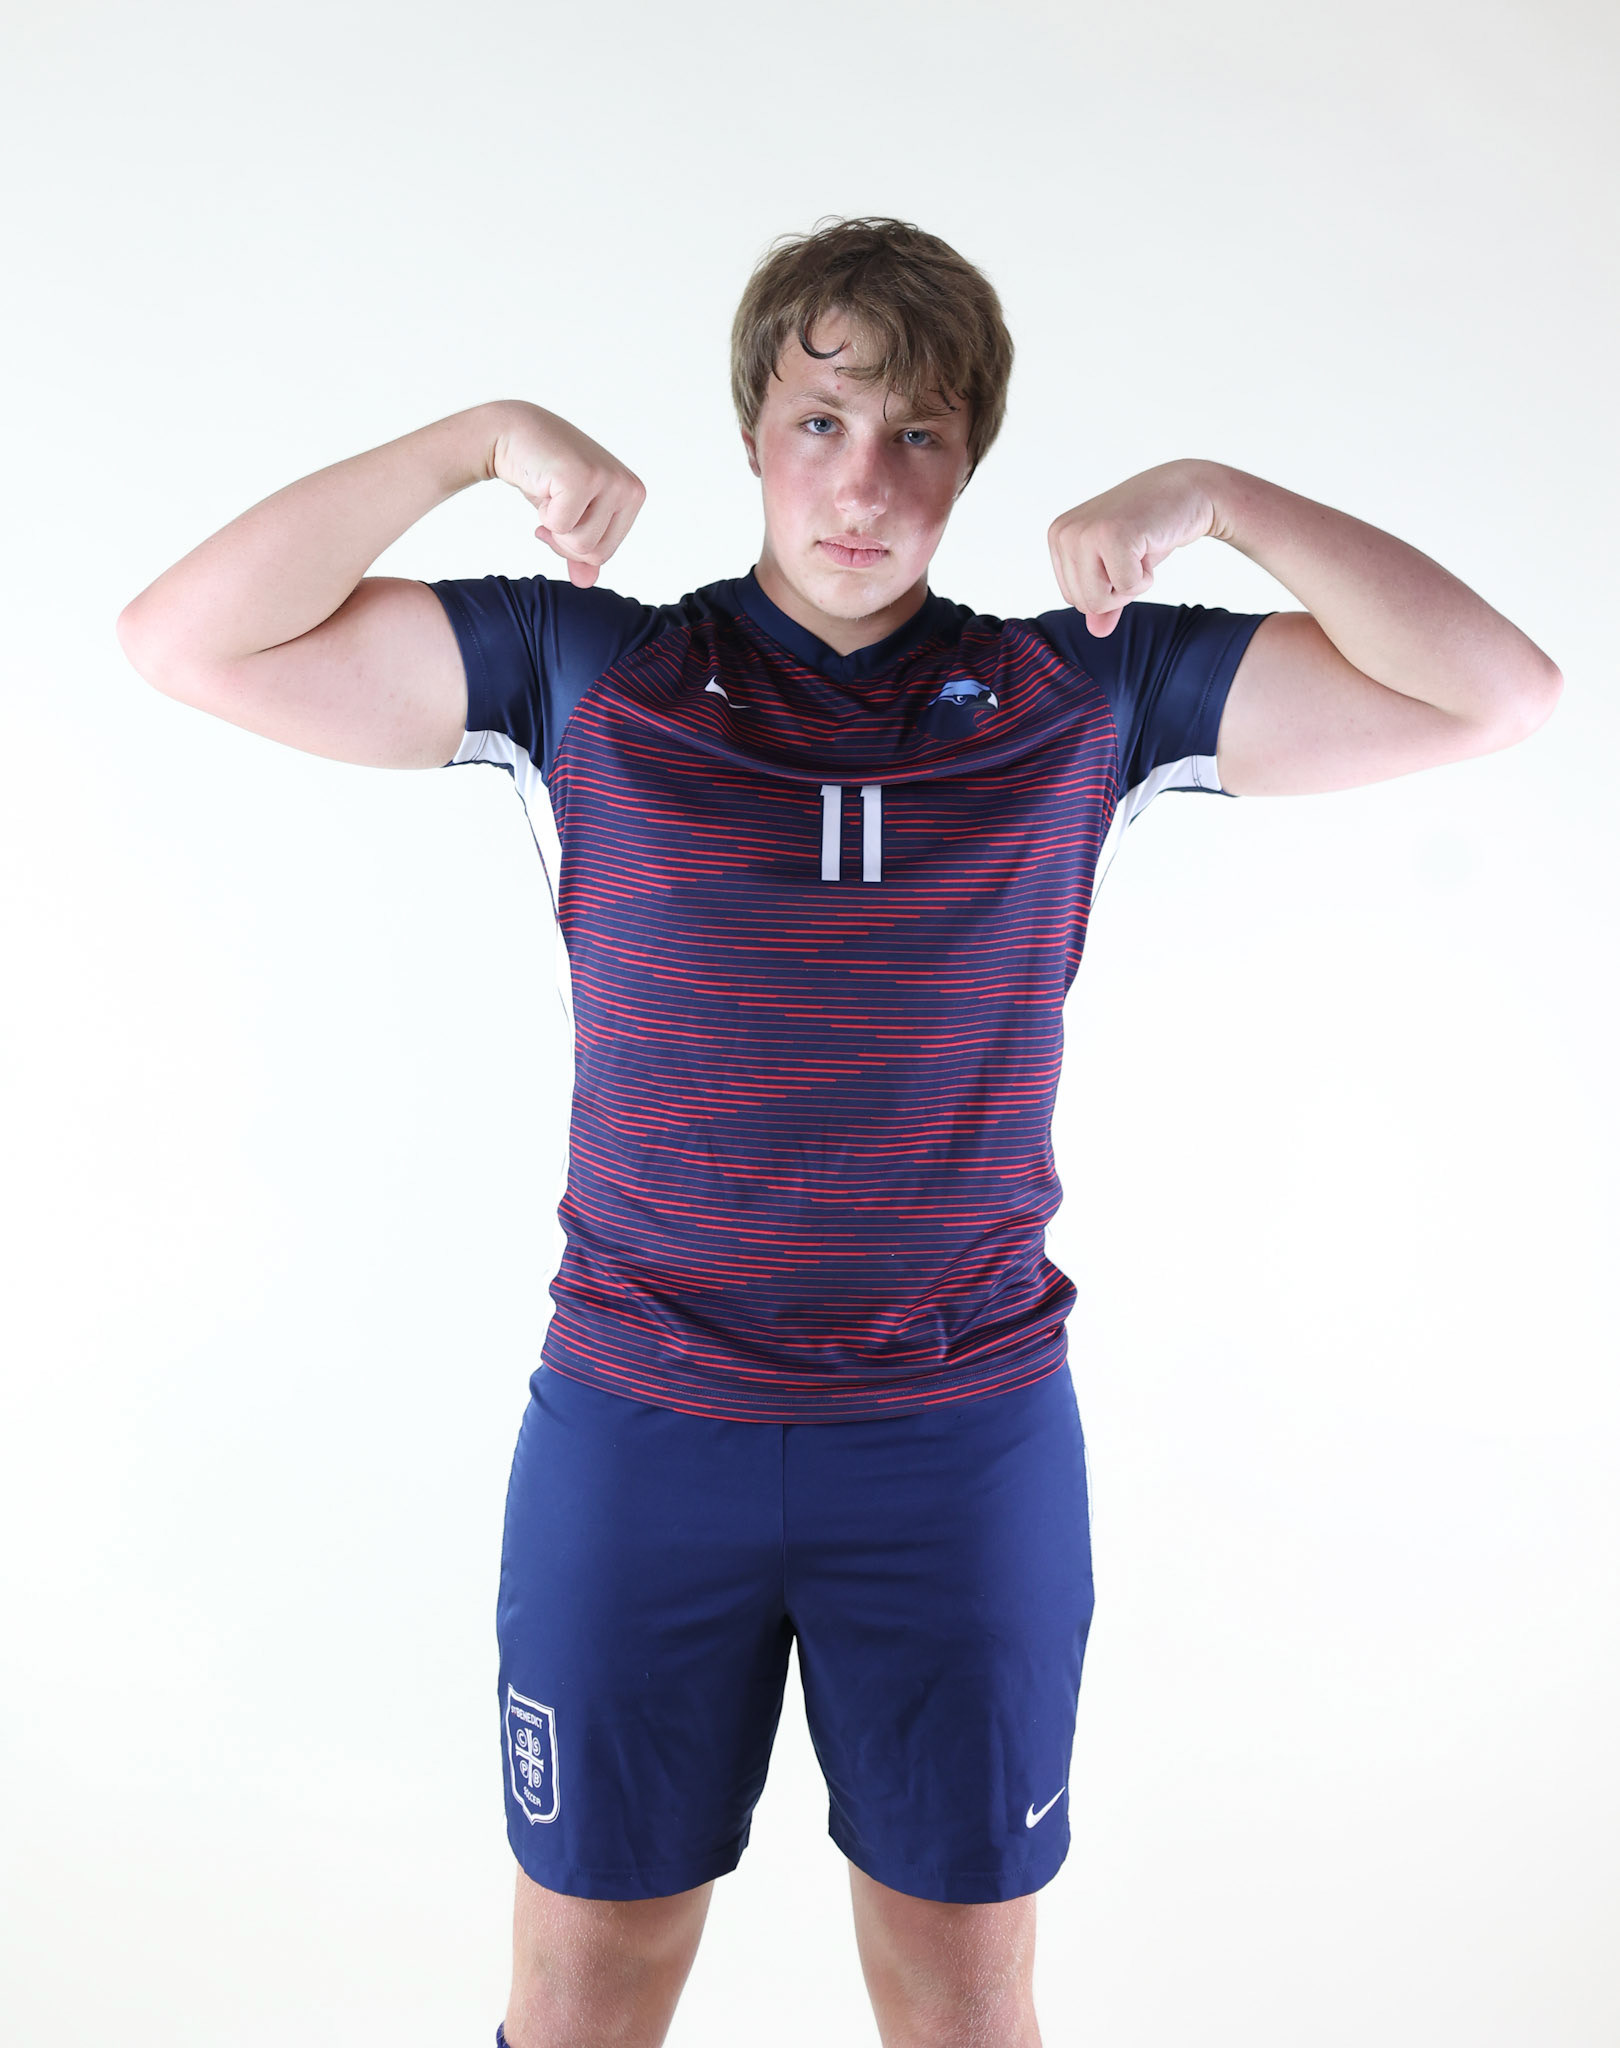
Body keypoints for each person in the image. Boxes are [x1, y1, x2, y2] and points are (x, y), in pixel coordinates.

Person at [116, 216, 1562, 2048]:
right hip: (642, 1434)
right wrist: (474, 439)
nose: (864, 480)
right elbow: (182, 640)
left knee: (962, 2000)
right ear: (751, 432)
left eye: (919, 437)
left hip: (956, 1448)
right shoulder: (590, 676)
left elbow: (1501, 692)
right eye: (821, 422)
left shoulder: (1076, 698)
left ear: (971, 464)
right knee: (584, 1991)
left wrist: (1217, 493)